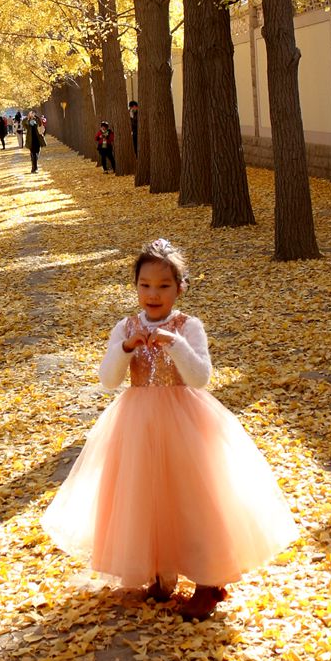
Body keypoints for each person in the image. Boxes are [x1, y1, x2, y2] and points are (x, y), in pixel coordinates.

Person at [43, 239, 297, 618]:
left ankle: (209, 580)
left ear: (180, 288)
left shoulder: (188, 327)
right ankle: (162, 575)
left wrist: (175, 344)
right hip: (137, 422)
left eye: (163, 286)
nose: (153, 294)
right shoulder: (125, 327)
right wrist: (126, 347)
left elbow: (199, 378)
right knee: (147, 495)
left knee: (191, 496)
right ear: (135, 288)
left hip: (184, 420)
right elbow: (109, 380)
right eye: (145, 285)